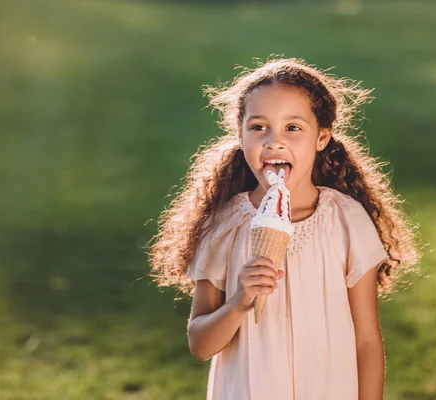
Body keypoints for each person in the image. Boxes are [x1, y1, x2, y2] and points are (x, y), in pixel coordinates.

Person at [149, 57, 422, 400]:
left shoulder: (346, 219)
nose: (274, 142)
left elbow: (366, 340)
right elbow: (200, 345)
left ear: (322, 137)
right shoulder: (223, 227)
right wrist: (239, 302)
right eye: (259, 127)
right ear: (240, 133)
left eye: (293, 128)